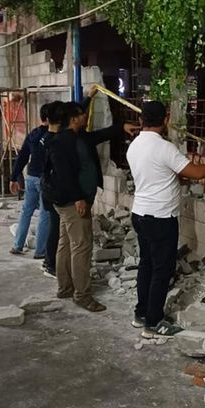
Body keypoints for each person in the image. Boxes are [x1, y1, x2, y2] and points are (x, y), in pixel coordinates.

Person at [127, 101, 205, 338]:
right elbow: (198, 173)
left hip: (140, 212)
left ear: (141, 120)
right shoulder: (164, 148)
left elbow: (156, 175)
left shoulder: (134, 145)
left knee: (147, 264)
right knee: (162, 269)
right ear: (166, 119)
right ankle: (154, 322)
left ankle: (142, 313)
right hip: (161, 217)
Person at [43, 101, 138, 312]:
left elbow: (99, 136)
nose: (86, 117)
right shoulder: (61, 142)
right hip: (72, 202)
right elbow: (64, 174)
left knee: (66, 243)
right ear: (74, 118)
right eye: (83, 115)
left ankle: (65, 287)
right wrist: (78, 198)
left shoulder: (79, 137)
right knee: (81, 247)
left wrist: (120, 127)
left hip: (73, 200)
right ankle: (82, 295)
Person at [9, 103, 51, 259]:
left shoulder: (33, 134)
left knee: (26, 211)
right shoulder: (52, 136)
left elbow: (22, 157)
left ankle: (17, 245)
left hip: (30, 177)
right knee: (45, 214)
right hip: (43, 179)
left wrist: (14, 177)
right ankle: (40, 251)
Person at [39, 100, 65, 279]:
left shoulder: (42, 136)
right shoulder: (52, 141)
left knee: (52, 226)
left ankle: (50, 261)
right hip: (53, 191)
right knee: (55, 228)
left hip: (47, 188)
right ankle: (50, 263)